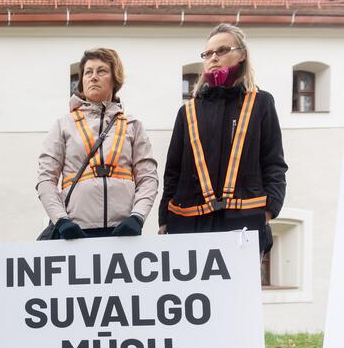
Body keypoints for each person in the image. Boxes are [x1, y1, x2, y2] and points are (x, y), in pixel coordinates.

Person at [158, 23, 288, 253]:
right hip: (191, 226)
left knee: (240, 290)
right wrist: (164, 219)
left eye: (222, 50)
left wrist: (269, 211)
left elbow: (274, 163)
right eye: (208, 53)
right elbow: (173, 172)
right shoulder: (188, 111)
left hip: (244, 226)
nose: (214, 57)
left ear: (242, 54)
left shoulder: (261, 103)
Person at [37, 48, 159, 239]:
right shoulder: (63, 125)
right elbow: (45, 179)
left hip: (123, 232)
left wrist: (137, 217)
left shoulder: (133, 126)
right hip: (75, 232)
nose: (93, 77)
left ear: (115, 79)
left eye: (101, 71)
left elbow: (148, 178)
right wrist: (61, 220)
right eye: (88, 72)